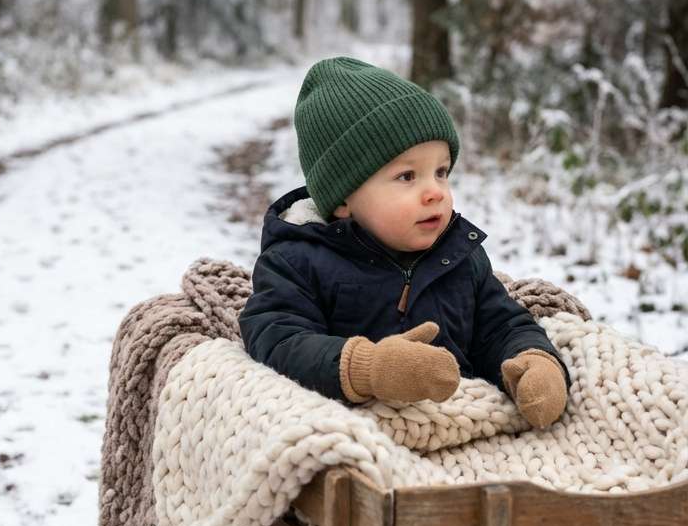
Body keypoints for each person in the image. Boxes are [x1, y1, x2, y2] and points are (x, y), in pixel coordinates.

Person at [238, 57, 570, 427]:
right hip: (356, 437)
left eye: (441, 172)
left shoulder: (460, 255)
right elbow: (278, 340)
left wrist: (533, 361)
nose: (435, 193)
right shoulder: (298, 260)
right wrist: (368, 367)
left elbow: (500, 324)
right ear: (344, 199)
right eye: (407, 176)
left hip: (459, 432)